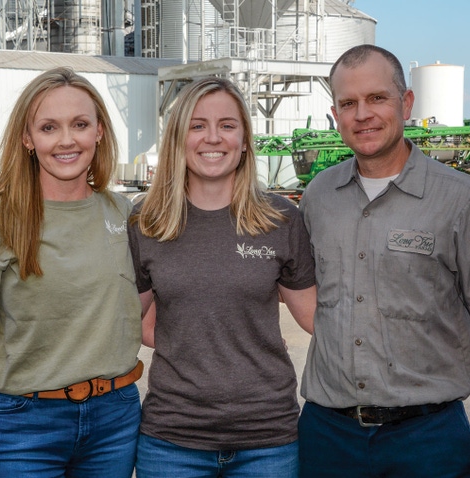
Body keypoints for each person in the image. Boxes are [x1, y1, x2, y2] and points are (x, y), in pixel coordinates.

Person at [297, 44, 470, 478]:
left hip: (429, 440)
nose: (362, 114)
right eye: (348, 103)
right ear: (335, 114)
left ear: (406, 103)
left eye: (377, 98)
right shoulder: (318, 198)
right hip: (327, 439)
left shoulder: (461, 199)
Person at [0, 67, 143, 477]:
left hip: (114, 422)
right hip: (22, 427)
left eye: (80, 124)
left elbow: (147, 311)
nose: (67, 140)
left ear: (99, 131)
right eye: (49, 127)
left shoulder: (124, 215)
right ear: (28, 139)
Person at [128, 77, 317, 478]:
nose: (213, 138)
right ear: (179, 138)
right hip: (172, 440)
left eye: (227, 126)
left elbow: (316, 316)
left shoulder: (280, 218)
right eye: (197, 126)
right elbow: (125, 321)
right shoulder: (147, 222)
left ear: (245, 139)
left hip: (267, 439)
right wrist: (197, 343)